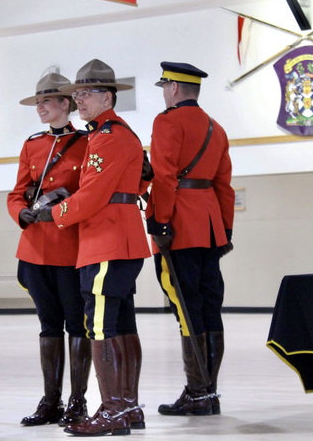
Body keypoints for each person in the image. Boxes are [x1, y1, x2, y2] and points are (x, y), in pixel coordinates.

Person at [33, 59, 151, 436]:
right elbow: (143, 177)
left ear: (108, 95)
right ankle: (128, 407)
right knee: (121, 325)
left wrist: (53, 214)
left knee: (99, 326)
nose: (78, 100)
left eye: (85, 93)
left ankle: (113, 409)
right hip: (119, 238)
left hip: (106, 240)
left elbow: (95, 194)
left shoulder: (109, 135)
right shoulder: (112, 133)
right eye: (77, 94)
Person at [145, 62, 235, 416]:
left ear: (175, 88)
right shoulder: (216, 127)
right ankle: (208, 392)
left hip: (180, 225)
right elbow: (224, 185)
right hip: (210, 226)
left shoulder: (167, 121)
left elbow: (165, 176)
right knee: (210, 307)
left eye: (165, 86)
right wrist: (224, 230)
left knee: (186, 308)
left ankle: (197, 393)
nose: (165, 92)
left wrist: (159, 220)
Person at [6, 72, 91, 427]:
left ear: (65, 105)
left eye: (46, 102)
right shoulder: (32, 144)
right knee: (48, 326)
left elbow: (88, 192)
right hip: (35, 248)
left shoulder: (86, 142)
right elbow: (17, 192)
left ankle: (77, 401)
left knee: (77, 325)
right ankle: (50, 401)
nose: (40, 107)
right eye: (38, 102)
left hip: (70, 247)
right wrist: (21, 213)